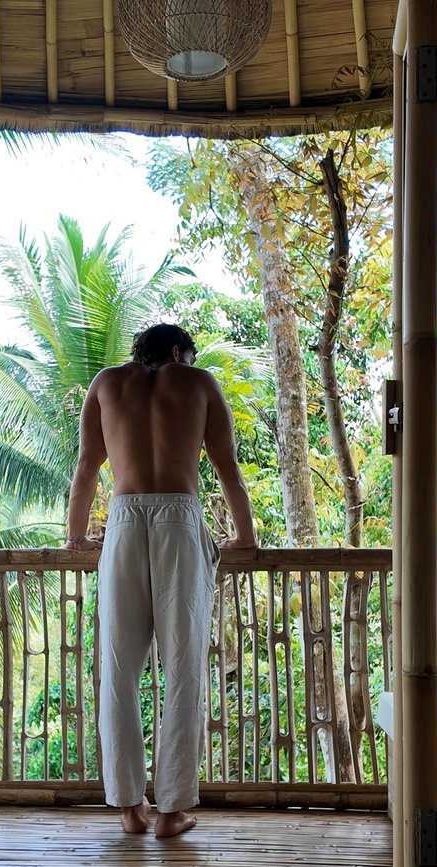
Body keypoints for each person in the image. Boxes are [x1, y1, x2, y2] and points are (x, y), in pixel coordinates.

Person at [65, 323, 257, 838]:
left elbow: (86, 465)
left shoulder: (106, 384)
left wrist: (77, 536)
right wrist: (245, 537)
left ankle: (130, 809)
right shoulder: (198, 384)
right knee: (183, 662)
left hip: (123, 521)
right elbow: (227, 468)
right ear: (177, 353)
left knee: (119, 665)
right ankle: (171, 811)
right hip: (178, 515)